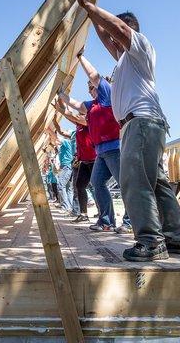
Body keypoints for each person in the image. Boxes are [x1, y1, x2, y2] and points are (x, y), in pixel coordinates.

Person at [67, 0, 180, 260]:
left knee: (134, 181)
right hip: (142, 124)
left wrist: (89, 4)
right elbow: (107, 36)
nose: (112, 40)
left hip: (141, 122)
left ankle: (151, 242)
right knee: (157, 184)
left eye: (116, 34)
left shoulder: (140, 47)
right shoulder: (125, 60)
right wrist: (89, 13)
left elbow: (119, 29)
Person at [59, 55, 131, 232]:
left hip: (114, 148)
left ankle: (129, 222)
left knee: (125, 184)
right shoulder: (92, 105)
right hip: (101, 152)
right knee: (97, 182)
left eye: (92, 87)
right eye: (89, 88)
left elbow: (93, 74)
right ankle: (106, 221)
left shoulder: (107, 96)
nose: (90, 89)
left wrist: (79, 57)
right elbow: (75, 104)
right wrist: (60, 94)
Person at [53, 99, 97, 223]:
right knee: (79, 186)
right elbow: (69, 117)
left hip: (94, 159)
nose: (77, 115)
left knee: (96, 187)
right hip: (83, 160)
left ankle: (106, 217)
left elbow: (71, 116)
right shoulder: (78, 127)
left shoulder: (88, 121)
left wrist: (60, 109)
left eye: (80, 113)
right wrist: (60, 107)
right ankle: (83, 214)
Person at [53, 113, 80, 217]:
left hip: (71, 164)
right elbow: (59, 133)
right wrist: (54, 122)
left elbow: (57, 137)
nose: (66, 132)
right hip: (73, 164)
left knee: (61, 185)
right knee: (71, 188)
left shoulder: (66, 142)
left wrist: (49, 130)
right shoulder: (73, 135)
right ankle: (72, 209)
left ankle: (67, 207)